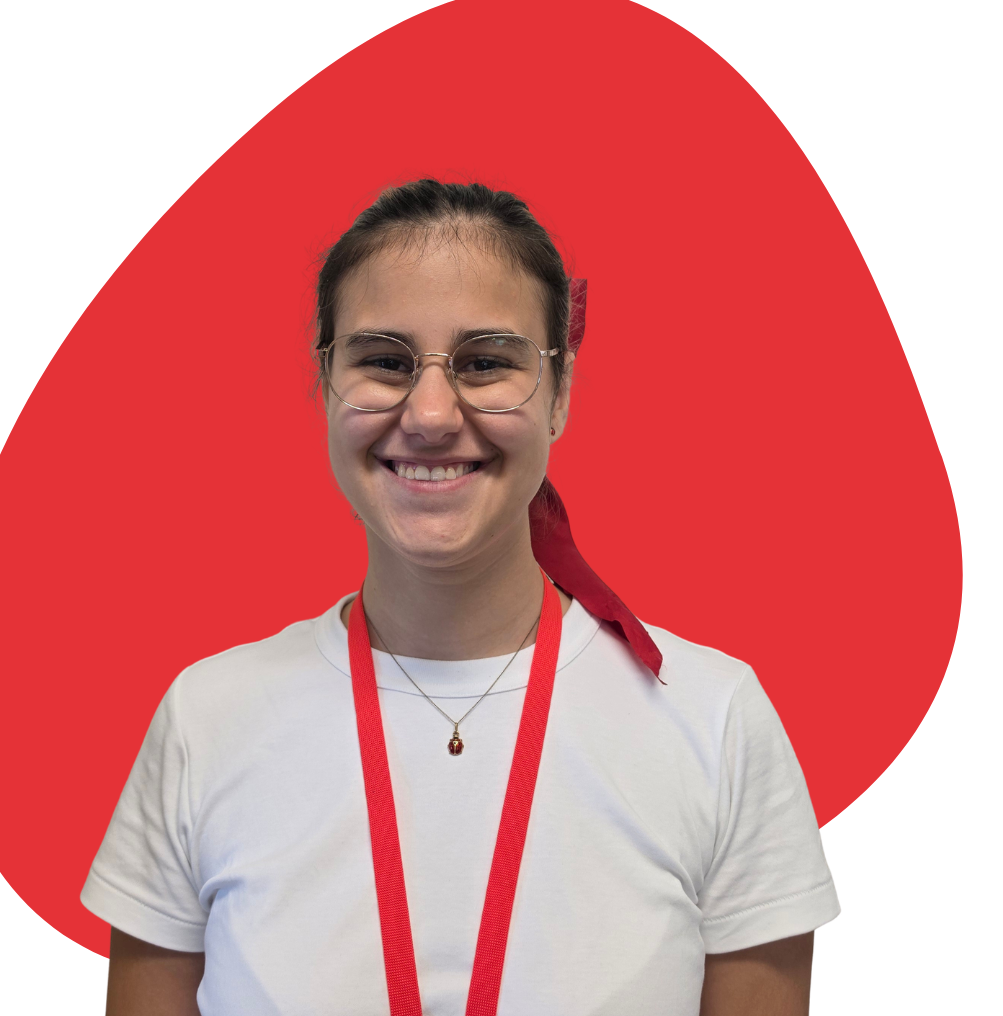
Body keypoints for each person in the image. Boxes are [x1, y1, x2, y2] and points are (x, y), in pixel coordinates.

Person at [82, 180, 839, 1016]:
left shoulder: (715, 720)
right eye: (383, 360)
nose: (433, 412)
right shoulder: (207, 719)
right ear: (326, 380)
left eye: (486, 362)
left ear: (561, 391)